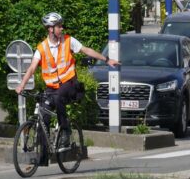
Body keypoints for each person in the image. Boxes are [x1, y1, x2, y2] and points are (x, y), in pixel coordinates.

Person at [15, 12, 120, 151]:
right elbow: (32, 68)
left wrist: (107, 60)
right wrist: (21, 85)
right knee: (43, 112)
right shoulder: (42, 48)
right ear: (50, 29)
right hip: (52, 87)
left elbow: (86, 50)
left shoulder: (69, 40)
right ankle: (42, 154)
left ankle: (65, 132)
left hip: (70, 84)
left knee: (59, 98)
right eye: (59, 26)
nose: (62, 28)